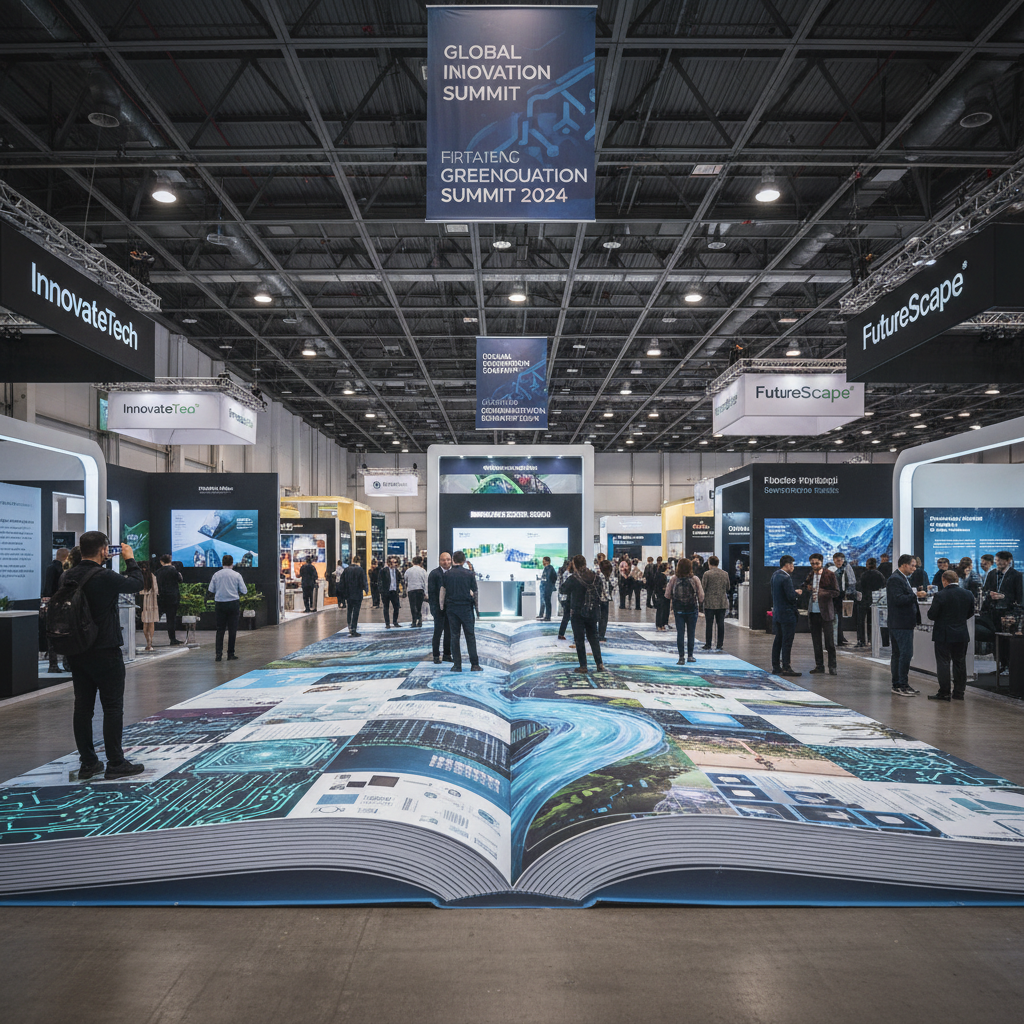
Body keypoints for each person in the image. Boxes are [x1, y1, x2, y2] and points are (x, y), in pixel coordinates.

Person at [59, 532, 145, 779]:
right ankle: (116, 763)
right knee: (112, 707)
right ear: (104, 550)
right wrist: (130, 559)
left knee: (83, 708)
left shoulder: (67, 576)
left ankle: (88, 763)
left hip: (77, 651)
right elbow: (137, 583)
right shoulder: (105, 576)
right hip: (105, 650)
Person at [927, 569, 976, 701]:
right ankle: (959, 692)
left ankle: (944, 692)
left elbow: (932, 615)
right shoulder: (968, 594)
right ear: (957, 580)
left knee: (943, 663)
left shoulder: (940, 595)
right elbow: (971, 612)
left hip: (943, 634)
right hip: (961, 634)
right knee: (960, 663)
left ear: (944, 580)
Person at [887, 553, 927, 696]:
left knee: (899, 654)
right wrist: (916, 595)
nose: (914, 568)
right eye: (912, 565)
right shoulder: (895, 579)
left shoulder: (901, 578)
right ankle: (901, 685)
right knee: (905, 654)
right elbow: (898, 600)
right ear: (904, 565)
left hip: (901, 623)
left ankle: (898, 684)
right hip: (900, 623)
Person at [559, 554, 604, 673]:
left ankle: (583, 666)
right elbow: (600, 591)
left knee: (579, 639)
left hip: (578, 612)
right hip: (593, 611)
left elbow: (562, 589)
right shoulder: (595, 576)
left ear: (574, 564)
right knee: (593, 637)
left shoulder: (573, 578)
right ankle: (599, 664)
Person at [439, 551, 481, 672]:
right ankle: (475, 665)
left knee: (454, 636)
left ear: (453, 560)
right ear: (464, 561)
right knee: (470, 636)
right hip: (466, 608)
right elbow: (475, 592)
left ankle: (457, 665)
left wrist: (442, 607)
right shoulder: (469, 574)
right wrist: (477, 610)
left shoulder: (447, 575)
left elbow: (443, 591)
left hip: (452, 609)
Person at [803, 553, 839, 675]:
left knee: (829, 642)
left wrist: (823, 592)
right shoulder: (811, 574)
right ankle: (819, 666)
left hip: (826, 612)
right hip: (813, 612)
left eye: (817, 563)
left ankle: (832, 666)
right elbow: (804, 585)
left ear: (822, 562)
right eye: (812, 563)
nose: (814, 565)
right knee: (816, 641)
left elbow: (836, 592)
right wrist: (807, 587)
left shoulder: (830, 574)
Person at [208, 554, 247, 662]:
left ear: (222, 562)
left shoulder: (216, 575)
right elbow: (244, 590)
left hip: (220, 604)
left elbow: (211, 590)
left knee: (220, 630)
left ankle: (218, 655)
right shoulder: (237, 575)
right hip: (233, 603)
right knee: (232, 630)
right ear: (232, 563)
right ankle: (231, 654)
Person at [667, 557, 703, 665]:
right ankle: (690, 656)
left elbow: (667, 594)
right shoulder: (695, 579)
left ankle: (681, 657)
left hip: (679, 610)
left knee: (680, 633)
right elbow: (701, 596)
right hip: (692, 610)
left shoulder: (674, 578)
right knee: (691, 633)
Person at [770, 556, 801, 677]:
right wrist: (796, 593)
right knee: (787, 642)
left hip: (777, 613)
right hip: (787, 614)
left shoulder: (775, 575)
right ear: (787, 565)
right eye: (792, 564)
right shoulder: (786, 578)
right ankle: (786, 667)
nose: (793, 567)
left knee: (778, 640)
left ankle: (776, 666)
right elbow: (791, 597)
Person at [41, 546, 69, 673]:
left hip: (51, 605)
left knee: (51, 635)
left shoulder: (50, 568)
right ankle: (64, 664)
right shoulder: (63, 570)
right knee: (66, 634)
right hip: (61, 606)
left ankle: (53, 664)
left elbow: (47, 589)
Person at [700, 555, 731, 651]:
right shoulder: (725, 574)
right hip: (722, 602)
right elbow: (728, 587)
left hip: (709, 603)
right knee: (720, 624)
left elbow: (703, 588)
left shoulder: (707, 574)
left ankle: (708, 644)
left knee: (709, 624)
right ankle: (719, 644)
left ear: (709, 563)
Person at [856, 557, 886, 648]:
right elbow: (884, 586)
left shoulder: (863, 575)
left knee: (860, 621)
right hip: (875, 601)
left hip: (864, 600)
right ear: (875, 565)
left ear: (867, 565)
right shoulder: (880, 575)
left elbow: (859, 586)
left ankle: (861, 640)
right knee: (872, 621)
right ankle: (871, 639)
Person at [155, 553, 184, 646]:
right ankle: (172, 639)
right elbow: (180, 580)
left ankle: (149, 638)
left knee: (155, 617)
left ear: (161, 561)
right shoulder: (173, 570)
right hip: (173, 597)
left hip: (161, 597)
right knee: (171, 619)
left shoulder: (158, 572)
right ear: (170, 561)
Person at [428, 552, 452, 662]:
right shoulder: (434, 574)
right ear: (439, 561)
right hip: (438, 610)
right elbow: (432, 594)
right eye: (443, 560)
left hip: (451, 610)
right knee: (438, 632)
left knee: (449, 633)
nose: (446, 562)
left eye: (448, 559)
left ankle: (447, 654)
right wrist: (434, 610)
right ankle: (436, 655)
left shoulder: (453, 573)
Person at [832, 552, 856, 646]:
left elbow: (851, 580)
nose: (839, 562)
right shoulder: (831, 569)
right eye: (837, 560)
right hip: (834, 595)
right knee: (835, 618)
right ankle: (837, 637)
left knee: (841, 618)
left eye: (841, 560)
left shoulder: (847, 568)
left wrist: (849, 592)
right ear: (834, 560)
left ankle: (840, 636)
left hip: (842, 595)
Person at [340, 556, 368, 636]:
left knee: (349, 609)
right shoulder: (360, 570)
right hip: (357, 593)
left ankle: (349, 625)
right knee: (356, 611)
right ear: (359, 561)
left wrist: (343, 593)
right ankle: (353, 627)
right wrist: (366, 589)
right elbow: (363, 581)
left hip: (349, 593)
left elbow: (342, 582)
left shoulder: (346, 570)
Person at [378, 556, 404, 628]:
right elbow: (380, 581)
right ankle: (387, 623)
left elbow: (400, 580)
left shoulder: (397, 571)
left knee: (396, 607)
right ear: (388, 562)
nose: (394, 564)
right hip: (386, 591)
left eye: (395, 562)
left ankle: (395, 622)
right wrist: (381, 591)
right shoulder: (383, 571)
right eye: (392, 562)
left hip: (394, 591)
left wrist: (401, 589)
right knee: (386, 607)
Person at [139, 561, 159, 652]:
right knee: (151, 622)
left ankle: (148, 642)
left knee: (145, 623)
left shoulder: (140, 576)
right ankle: (150, 643)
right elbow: (156, 590)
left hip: (143, 602)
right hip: (152, 602)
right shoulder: (152, 576)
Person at [404, 555, 428, 627]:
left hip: (411, 590)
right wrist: (426, 593)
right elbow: (425, 582)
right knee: (419, 606)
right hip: (420, 590)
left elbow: (405, 580)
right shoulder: (423, 571)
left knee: (413, 606)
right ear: (421, 562)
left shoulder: (408, 571)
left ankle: (414, 621)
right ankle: (419, 621)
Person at [556, 559, 573, 640]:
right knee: (568, 616)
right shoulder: (568, 575)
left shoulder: (561, 573)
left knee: (566, 616)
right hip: (568, 598)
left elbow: (558, 584)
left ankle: (561, 633)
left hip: (562, 597)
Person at [598, 559, 615, 640]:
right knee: (603, 619)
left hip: (600, 600)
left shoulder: (601, 576)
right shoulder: (603, 577)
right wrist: (609, 598)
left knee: (601, 618)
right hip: (603, 600)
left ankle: (600, 634)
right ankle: (601, 635)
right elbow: (605, 590)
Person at [652, 559, 670, 632]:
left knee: (659, 610)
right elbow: (663, 586)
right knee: (662, 610)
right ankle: (661, 624)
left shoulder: (657, 574)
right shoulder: (663, 576)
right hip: (662, 594)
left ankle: (659, 624)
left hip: (658, 594)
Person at [538, 555, 557, 621]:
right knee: (545, 601)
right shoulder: (547, 569)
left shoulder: (550, 568)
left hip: (548, 587)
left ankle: (547, 616)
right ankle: (544, 615)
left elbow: (552, 578)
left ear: (547, 561)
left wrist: (550, 585)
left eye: (544, 561)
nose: (543, 562)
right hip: (546, 586)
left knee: (547, 601)